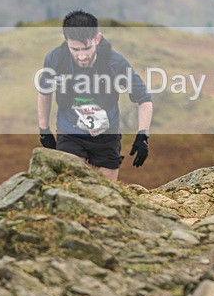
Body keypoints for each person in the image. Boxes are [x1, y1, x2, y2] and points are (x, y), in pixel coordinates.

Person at [36, 10, 153, 181]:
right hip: (70, 133)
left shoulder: (115, 62)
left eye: (87, 48)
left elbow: (143, 98)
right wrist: (44, 130)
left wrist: (143, 135)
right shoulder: (55, 59)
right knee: (72, 182)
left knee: (106, 190)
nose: (82, 56)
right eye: (75, 49)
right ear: (66, 41)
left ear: (97, 39)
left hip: (107, 136)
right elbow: (44, 92)